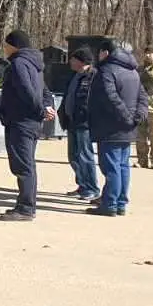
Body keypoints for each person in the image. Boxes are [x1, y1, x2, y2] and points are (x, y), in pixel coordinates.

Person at [86, 40, 149, 218]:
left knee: (111, 167)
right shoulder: (133, 71)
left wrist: (127, 117)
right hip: (127, 128)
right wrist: (138, 117)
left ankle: (110, 204)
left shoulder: (106, 71)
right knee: (123, 166)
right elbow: (143, 97)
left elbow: (110, 97)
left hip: (110, 126)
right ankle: (121, 203)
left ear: (106, 53)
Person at [0, 30, 55, 222]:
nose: (4, 49)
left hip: (21, 121)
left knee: (23, 165)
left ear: (14, 46)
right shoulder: (34, 63)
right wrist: (47, 107)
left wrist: (40, 109)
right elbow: (45, 91)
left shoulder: (18, 64)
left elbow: (26, 91)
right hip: (31, 121)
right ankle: (25, 204)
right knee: (27, 163)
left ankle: (26, 208)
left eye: (6, 45)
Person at [58, 47, 98, 201]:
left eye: (73, 59)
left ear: (81, 61)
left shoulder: (94, 76)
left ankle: (91, 188)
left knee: (85, 156)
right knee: (73, 156)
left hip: (84, 123)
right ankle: (82, 184)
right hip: (71, 121)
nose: (70, 62)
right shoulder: (75, 76)